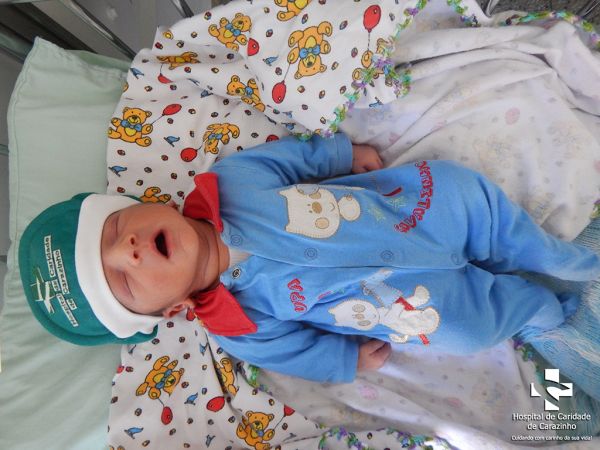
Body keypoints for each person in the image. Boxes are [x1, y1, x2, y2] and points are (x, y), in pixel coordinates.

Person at [19, 133, 600, 383]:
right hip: (409, 304)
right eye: (122, 280)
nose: (127, 249)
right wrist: (347, 361)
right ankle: (536, 310)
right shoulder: (237, 327)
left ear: (145, 206)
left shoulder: (229, 181)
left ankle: (565, 258)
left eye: (116, 228)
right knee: (471, 330)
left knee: (470, 197)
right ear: (169, 312)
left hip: (414, 212)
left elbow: (293, 160)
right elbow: (297, 353)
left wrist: (343, 153)